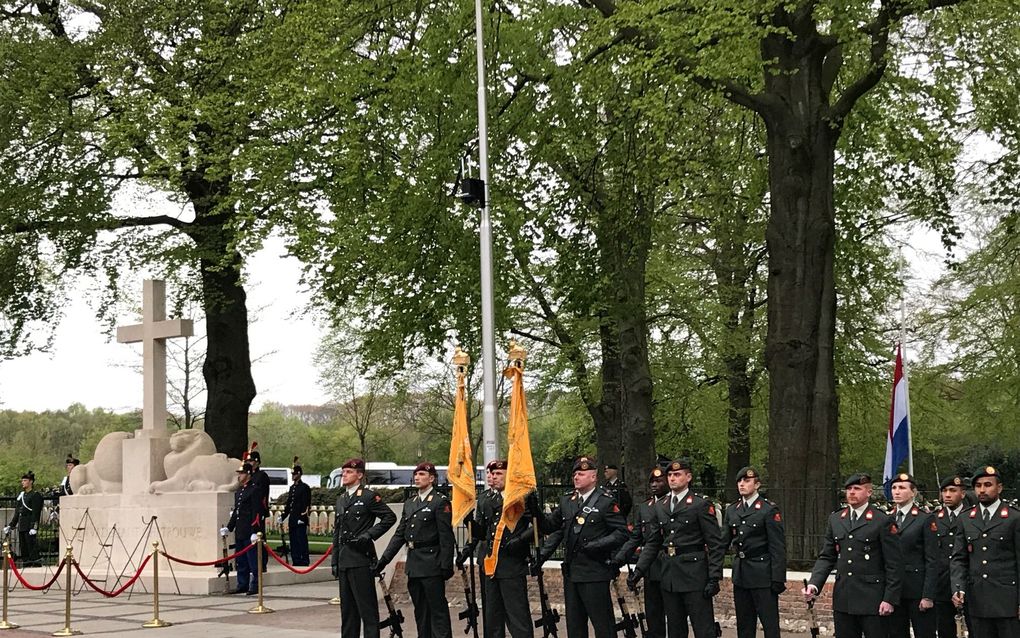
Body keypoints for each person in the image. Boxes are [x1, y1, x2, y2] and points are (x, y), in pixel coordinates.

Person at [533, 456, 629, 638]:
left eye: (581, 474)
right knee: (575, 627)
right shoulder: (567, 501)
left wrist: (596, 545)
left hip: (595, 571)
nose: (576, 477)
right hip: (572, 573)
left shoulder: (605, 501)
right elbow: (549, 527)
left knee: (603, 626)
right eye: (575, 474)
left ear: (593, 477)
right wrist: (535, 509)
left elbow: (622, 533)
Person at [803, 472, 902, 638]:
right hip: (845, 597)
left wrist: (889, 598)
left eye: (857, 488)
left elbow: (894, 563)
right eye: (849, 489)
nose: (852, 492)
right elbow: (827, 556)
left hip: (873, 598)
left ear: (869, 492)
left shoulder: (881, 520)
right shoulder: (836, 519)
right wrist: (814, 584)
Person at [636, 459, 725, 638]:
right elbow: (654, 542)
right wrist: (639, 569)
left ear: (688, 477)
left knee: (703, 628)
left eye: (677, 475)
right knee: (675, 629)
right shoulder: (661, 506)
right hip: (669, 574)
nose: (672, 479)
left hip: (694, 574)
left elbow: (715, 544)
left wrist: (714, 576)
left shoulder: (700, 504)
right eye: (670, 475)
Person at [457, 459, 536, 638]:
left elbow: (537, 526)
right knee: (492, 616)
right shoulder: (486, 498)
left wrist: (520, 540)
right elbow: (483, 530)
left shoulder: (520, 497)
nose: (493, 477)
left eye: (499, 473)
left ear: (509, 475)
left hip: (512, 563)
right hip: (491, 564)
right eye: (492, 474)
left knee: (517, 616)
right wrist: (468, 521)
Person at [376, 462, 455, 638]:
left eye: (422, 475)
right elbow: (399, 535)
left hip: (432, 562)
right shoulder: (411, 502)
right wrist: (384, 560)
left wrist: (446, 564)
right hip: (414, 564)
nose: (417, 478)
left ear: (432, 478)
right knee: (421, 610)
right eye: (416, 475)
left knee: (437, 611)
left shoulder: (439, 501)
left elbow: (446, 537)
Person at [950, 466, 1020, 638]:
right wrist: (958, 588)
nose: (982, 490)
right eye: (978, 485)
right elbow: (959, 558)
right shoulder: (966, 518)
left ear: (999, 488)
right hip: (977, 600)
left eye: (988, 484)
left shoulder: (1013, 517)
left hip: (1007, 601)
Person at [332, 457, 398, 638]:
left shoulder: (368, 496)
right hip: (345, 559)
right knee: (348, 612)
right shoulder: (341, 499)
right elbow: (337, 532)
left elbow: (389, 517)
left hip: (361, 558)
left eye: (349, 472)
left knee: (367, 611)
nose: (344, 475)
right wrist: (334, 560)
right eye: (343, 472)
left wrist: (369, 535)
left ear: (359, 475)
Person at [723, 467, 786, 638]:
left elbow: (777, 547)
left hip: (762, 574)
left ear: (757, 484)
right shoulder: (732, 510)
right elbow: (724, 542)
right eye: (739, 481)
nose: (742, 484)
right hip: (742, 573)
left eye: (747, 481)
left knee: (770, 624)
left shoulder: (768, 509)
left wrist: (778, 578)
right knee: (744, 624)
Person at [613, 466, 671, 638]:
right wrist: (619, 559)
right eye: (652, 481)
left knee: (675, 615)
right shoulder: (645, 507)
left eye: (659, 481)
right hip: (651, 567)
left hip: (670, 566)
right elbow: (635, 538)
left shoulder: (673, 504)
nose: (654, 484)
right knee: (653, 614)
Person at [887, 473, 936, 638]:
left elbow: (932, 559)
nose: (897, 492)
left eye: (902, 488)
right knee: (895, 633)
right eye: (894, 488)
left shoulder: (924, 519)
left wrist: (928, 595)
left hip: (917, 590)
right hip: (894, 591)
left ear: (913, 492)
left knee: (924, 632)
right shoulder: (887, 519)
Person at [931, 474, 968, 638]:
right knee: (945, 630)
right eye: (944, 491)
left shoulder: (970, 517)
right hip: (942, 585)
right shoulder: (934, 519)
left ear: (963, 493)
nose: (947, 495)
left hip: (967, 585)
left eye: (952, 490)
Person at [221, 461, 263, 595]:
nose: (239, 476)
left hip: (249, 530)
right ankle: (242, 583)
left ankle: (255, 584)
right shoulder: (239, 491)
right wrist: (229, 527)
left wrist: (255, 531)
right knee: (241, 560)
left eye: (242, 473)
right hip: (240, 529)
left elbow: (257, 511)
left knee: (252, 560)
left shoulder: (255, 490)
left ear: (248, 474)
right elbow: (237, 511)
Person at [5, 471, 44, 567]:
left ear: (31, 482)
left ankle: (35, 564)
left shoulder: (35, 495)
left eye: (25, 480)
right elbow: (18, 512)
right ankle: (26, 564)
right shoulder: (22, 495)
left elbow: (36, 513)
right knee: (23, 547)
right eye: (22, 480)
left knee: (31, 547)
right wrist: (11, 525)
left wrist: (34, 527)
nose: (23, 482)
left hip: (29, 524)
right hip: (22, 525)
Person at [281, 456, 313, 566]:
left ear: (299, 474)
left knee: (301, 540)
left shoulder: (304, 487)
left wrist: (302, 517)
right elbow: (289, 504)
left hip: (300, 518)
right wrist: (283, 516)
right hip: (293, 518)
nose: (293, 476)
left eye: (294, 474)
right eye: (292, 474)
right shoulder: (292, 488)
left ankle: (304, 559)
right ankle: (296, 559)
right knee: (293, 541)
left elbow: (306, 504)